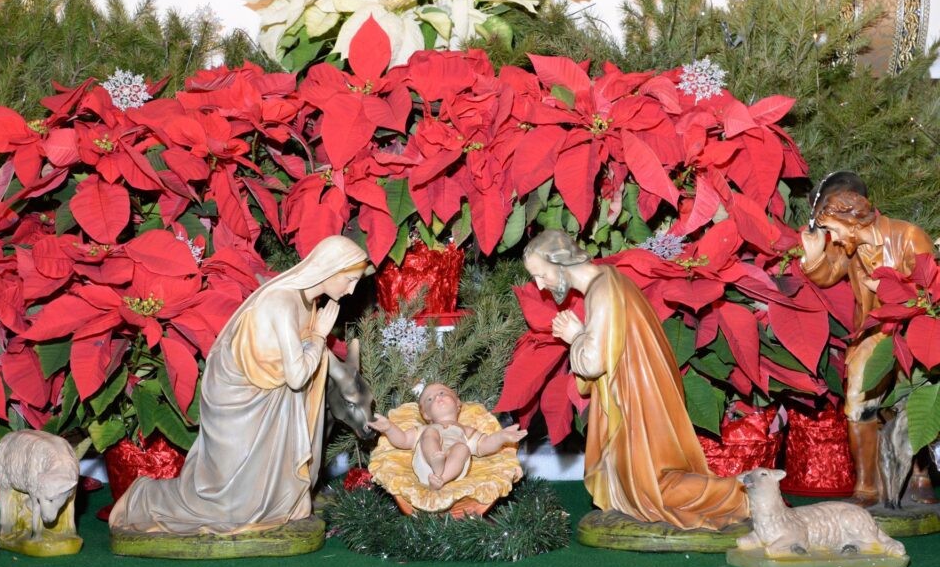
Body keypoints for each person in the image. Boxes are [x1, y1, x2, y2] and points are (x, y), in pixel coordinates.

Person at [109, 236, 371, 534]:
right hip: (237, 398)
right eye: (350, 280)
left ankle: (285, 505)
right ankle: (142, 498)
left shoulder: (308, 303)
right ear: (330, 269)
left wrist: (318, 344)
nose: (351, 290)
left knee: (255, 494)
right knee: (224, 503)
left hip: (268, 396)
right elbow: (297, 376)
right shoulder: (283, 302)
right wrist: (319, 337)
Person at [522, 230, 749, 530]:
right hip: (634, 395)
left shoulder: (602, 291)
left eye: (541, 275)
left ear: (561, 262)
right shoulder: (607, 281)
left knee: (653, 487)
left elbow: (593, 363)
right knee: (638, 482)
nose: (540, 286)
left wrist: (574, 336)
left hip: (637, 402)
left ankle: (742, 495)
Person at [800, 182, 936, 506]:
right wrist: (813, 254)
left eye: (834, 231)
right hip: (872, 334)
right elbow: (829, 273)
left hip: (912, 333)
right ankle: (867, 486)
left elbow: (929, 289)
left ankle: (920, 476)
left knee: (911, 401)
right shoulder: (850, 247)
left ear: (852, 223)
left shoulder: (909, 237)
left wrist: (890, 289)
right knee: (858, 399)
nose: (833, 238)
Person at [368, 383, 527, 490]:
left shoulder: (465, 430)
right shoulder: (423, 429)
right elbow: (402, 440)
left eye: (442, 393)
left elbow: (483, 445)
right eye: (430, 399)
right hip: (427, 466)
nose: (437, 397)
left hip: (451, 471)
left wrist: (501, 436)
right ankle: (436, 462)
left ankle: (441, 478)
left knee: (462, 448)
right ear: (426, 414)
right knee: (430, 433)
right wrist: (389, 428)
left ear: (457, 403)